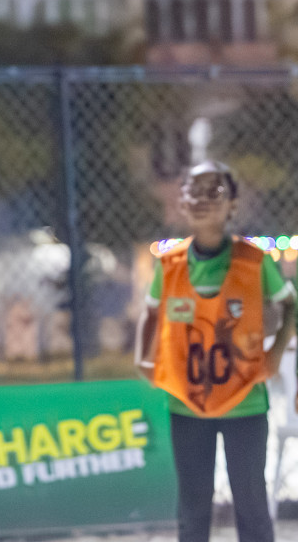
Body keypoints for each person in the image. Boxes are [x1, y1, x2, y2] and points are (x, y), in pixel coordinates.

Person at [135, 160, 295, 542]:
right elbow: (151, 312)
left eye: (215, 191)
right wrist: (144, 358)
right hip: (187, 402)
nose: (203, 199)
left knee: (251, 504)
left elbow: (290, 304)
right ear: (182, 201)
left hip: (246, 401)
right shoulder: (169, 264)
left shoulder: (253, 262)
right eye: (194, 190)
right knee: (193, 507)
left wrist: (274, 354)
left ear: (233, 205)